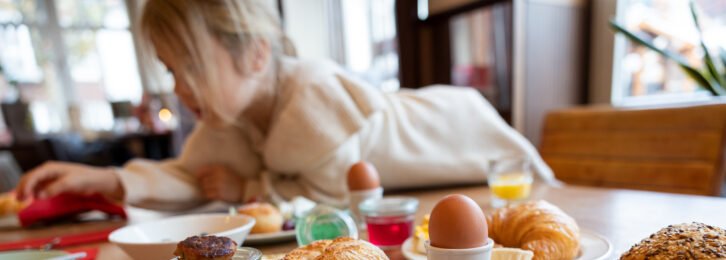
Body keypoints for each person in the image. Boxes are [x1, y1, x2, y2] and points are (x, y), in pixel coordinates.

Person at [17, 0, 554, 210]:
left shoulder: (314, 92)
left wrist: (248, 189)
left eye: (191, 67)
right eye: (171, 71)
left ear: (256, 55)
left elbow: (334, 198)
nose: (179, 88)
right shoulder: (228, 115)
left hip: (461, 130)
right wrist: (104, 179)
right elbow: (191, 176)